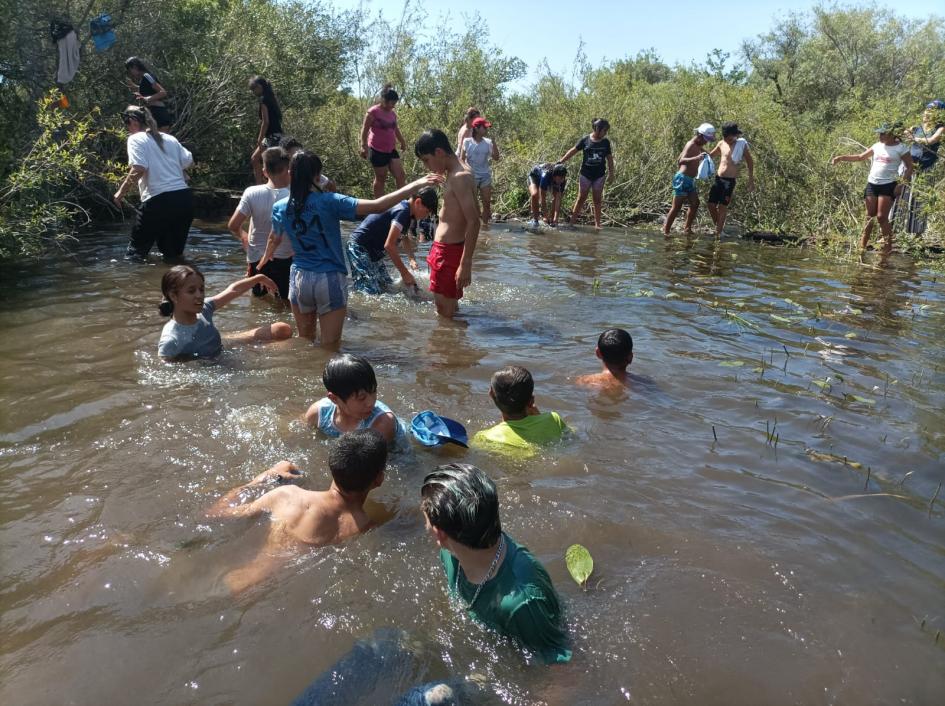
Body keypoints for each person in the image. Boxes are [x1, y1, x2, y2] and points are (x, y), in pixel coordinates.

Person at [258, 152, 441, 345]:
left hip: (299, 278)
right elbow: (378, 206)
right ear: (317, 176)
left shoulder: (280, 207)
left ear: (290, 174)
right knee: (330, 345)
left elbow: (274, 239)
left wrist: (262, 264)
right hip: (329, 277)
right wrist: (417, 184)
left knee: (305, 342)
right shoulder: (330, 201)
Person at [421, 463, 572, 664]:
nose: (424, 526)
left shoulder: (523, 604)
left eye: (425, 519)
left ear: (439, 533)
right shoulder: (450, 551)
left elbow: (563, 669)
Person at [206, 429, 387, 593]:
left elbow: (215, 514)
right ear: (379, 479)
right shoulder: (366, 528)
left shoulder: (288, 496)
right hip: (271, 594)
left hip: (227, 583)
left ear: (332, 466)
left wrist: (266, 477)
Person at [156, 265, 292, 360]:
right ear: (173, 296)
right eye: (191, 291)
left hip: (221, 348)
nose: (199, 295)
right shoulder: (171, 341)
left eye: (201, 289)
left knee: (282, 329)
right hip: (213, 366)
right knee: (288, 348)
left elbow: (233, 290)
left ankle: (229, 338)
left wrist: (258, 278)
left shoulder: (204, 309)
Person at [113, 105, 194, 262]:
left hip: (158, 201)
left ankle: (135, 286)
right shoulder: (170, 138)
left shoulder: (135, 139)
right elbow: (188, 161)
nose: (127, 127)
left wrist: (120, 194)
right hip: (184, 200)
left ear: (134, 121)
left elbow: (139, 168)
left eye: (126, 122)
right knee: (173, 256)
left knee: (134, 256)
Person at [414, 129, 480, 319]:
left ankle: (443, 348)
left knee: (444, 315)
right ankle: (451, 347)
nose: (428, 166)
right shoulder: (457, 171)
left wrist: (465, 263)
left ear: (439, 152)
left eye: (427, 160)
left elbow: (474, 221)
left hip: (448, 253)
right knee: (449, 313)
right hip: (447, 251)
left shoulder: (460, 176)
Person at [831, 123, 915, 252]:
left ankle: (887, 248)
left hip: (889, 185)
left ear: (892, 134)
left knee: (881, 217)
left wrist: (901, 185)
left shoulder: (901, 148)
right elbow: (860, 157)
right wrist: (841, 158)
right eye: (879, 133)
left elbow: (910, 167)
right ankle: (862, 246)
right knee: (869, 216)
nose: (880, 136)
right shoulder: (877, 146)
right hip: (872, 184)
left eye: (883, 133)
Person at [227, 147, 292, 301]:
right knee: (284, 303)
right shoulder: (296, 195)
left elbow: (233, 225)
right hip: (285, 259)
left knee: (258, 302)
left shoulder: (252, 192)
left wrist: (244, 237)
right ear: (288, 170)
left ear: (264, 172)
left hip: (257, 260)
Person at [347, 187, 438, 294]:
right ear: (418, 202)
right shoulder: (402, 211)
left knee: (387, 286)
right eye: (427, 212)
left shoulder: (408, 214)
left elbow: (404, 237)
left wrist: (411, 259)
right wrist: (405, 273)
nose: (426, 216)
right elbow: (389, 246)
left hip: (373, 252)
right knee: (370, 291)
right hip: (359, 247)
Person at [304, 353, 407, 445]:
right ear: (334, 399)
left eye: (373, 391)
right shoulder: (319, 414)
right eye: (361, 398)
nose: (370, 403)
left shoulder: (382, 424)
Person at [472, 366, 567, 452]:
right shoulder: (554, 419)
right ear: (531, 401)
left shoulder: (486, 438)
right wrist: (540, 416)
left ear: (491, 394)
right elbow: (570, 438)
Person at [559, 118, 615, 229]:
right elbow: (573, 150)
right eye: (604, 130)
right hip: (585, 174)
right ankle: (571, 223)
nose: (605, 133)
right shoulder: (585, 140)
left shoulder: (605, 142)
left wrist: (611, 173)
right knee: (581, 198)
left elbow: (609, 159)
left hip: (599, 175)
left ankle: (597, 225)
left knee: (597, 199)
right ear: (597, 129)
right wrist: (561, 161)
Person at [663, 123, 716, 236]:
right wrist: (696, 158)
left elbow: (680, 157)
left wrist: (708, 156)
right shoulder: (691, 144)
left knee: (695, 203)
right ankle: (666, 231)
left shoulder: (698, 146)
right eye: (706, 139)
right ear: (700, 136)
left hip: (689, 180)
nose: (706, 142)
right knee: (676, 207)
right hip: (682, 179)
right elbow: (681, 161)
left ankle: (687, 228)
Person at [705, 122, 755, 237]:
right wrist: (700, 149)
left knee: (723, 206)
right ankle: (720, 228)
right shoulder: (721, 144)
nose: (734, 138)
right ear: (726, 135)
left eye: (735, 135)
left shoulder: (741, 145)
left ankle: (718, 233)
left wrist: (751, 179)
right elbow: (710, 156)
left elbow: (750, 161)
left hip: (729, 181)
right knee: (711, 205)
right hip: (718, 179)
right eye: (732, 135)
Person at [360, 84, 408, 198]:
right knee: (381, 177)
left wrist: (402, 141)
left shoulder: (392, 114)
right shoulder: (373, 112)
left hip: (391, 149)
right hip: (377, 150)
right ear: (384, 100)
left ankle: (402, 202)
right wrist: (363, 146)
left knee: (400, 175)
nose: (393, 106)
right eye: (392, 103)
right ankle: (379, 206)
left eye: (395, 103)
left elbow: (395, 129)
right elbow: (364, 129)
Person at [460, 117, 501, 230]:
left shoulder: (488, 142)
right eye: (484, 127)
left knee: (487, 202)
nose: (487, 130)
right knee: (473, 203)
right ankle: (473, 224)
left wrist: (494, 143)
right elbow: (462, 160)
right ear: (477, 128)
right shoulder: (467, 142)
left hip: (485, 176)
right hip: (471, 175)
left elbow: (496, 157)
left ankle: (485, 226)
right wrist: (465, 174)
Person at [249, 76, 283, 184]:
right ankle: (260, 185)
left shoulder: (264, 100)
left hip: (272, 136)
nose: (253, 92)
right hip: (277, 135)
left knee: (270, 163)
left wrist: (259, 139)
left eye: (254, 89)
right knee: (255, 159)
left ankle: (270, 185)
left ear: (260, 86)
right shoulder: (272, 98)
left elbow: (266, 121)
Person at [124, 57, 172, 130]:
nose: (130, 73)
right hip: (152, 114)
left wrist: (147, 99)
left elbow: (163, 92)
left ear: (135, 67)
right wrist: (133, 86)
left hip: (159, 112)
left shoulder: (147, 76)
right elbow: (147, 89)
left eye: (130, 69)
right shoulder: (143, 79)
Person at [528, 162, 567, 227]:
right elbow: (542, 198)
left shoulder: (562, 180)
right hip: (534, 176)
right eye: (560, 178)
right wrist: (545, 216)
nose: (561, 180)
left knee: (555, 196)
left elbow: (558, 199)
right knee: (535, 194)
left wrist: (556, 218)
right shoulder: (545, 176)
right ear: (554, 176)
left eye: (563, 178)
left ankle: (552, 220)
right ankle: (535, 220)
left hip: (549, 179)